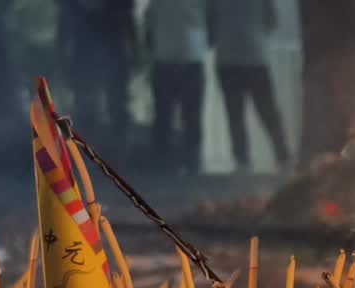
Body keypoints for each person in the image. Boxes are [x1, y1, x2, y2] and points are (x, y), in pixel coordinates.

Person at [208, 0, 290, 172]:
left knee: (235, 113)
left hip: (227, 57)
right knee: (268, 111)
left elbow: (210, 27)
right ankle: (283, 157)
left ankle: (242, 160)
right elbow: (272, 22)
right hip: (256, 55)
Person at [59, 0, 135, 155]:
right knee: (101, 105)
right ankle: (109, 150)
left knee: (111, 104)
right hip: (99, 48)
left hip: (101, 48)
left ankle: (111, 150)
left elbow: (65, 23)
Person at [144, 0, 206, 174]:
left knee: (164, 115)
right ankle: (192, 162)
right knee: (191, 116)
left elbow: (148, 29)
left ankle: (163, 163)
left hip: (164, 60)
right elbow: (212, 24)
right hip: (192, 58)